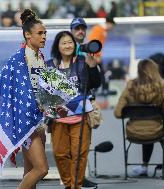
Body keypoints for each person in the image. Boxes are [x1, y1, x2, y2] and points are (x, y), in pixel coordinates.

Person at [0, 9, 48, 189]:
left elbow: (39, 89)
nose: (44, 37)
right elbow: (8, 88)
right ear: (28, 35)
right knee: (42, 169)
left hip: (38, 121)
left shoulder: (40, 57)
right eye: (40, 33)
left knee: (30, 172)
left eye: (45, 33)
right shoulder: (19, 59)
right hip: (25, 121)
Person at [46, 31, 101, 189]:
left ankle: (75, 187)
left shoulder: (83, 62)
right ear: (58, 46)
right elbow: (44, 92)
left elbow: (96, 83)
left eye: (70, 42)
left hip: (81, 118)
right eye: (63, 43)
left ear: (75, 44)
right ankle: (70, 186)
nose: (67, 45)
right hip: (58, 119)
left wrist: (92, 67)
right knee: (60, 154)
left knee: (79, 155)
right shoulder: (50, 65)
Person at [114, 59, 164, 177]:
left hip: (134, 132)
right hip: (156, 131)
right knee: (153, 128)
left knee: (145, 126)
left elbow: (117, 113)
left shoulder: (130, 87)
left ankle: (144, 167)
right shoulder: (161, 88)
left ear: (139, 71)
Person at [70, 17, 99, 189]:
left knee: (83, 143)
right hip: (69, 103)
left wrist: (93, 66)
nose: (80, 31)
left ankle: (79, 177)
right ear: (71, 30)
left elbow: (96, 82)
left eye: (83, 28)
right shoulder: (65, 49)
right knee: (68, 145)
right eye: (77, 29)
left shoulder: (88, 51)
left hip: (84, 102)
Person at [87, 16, 116, 108]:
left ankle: (101, 89)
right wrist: (95, 56)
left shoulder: (102, 30)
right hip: (94, 56)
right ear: (109, 24)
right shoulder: (99, 29)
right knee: (98, 72)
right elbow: (93, 42)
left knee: (101, 72)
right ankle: (98, 89)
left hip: (96, 55)